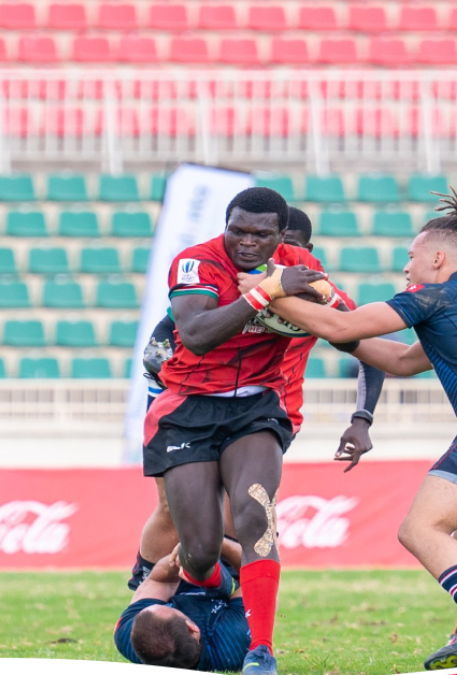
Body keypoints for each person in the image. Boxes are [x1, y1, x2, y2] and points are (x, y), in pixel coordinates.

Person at [263, 185, 457, 668]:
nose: (406, 267)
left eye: (410, 257)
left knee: (420, 528)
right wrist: (328, 326)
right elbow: (402, 360)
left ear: (435, 258)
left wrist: (266, 293)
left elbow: (345, 328)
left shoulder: (437, 294)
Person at [131, 207, 385, 589]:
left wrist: (362, 417)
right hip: (198, 408)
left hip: (270, 412)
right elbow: (160, 354)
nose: (271, 262)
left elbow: (366, 345)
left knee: (248, 516)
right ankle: (147, 587)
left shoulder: (314, 291)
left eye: (286, 249)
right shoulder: (224, 286)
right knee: (175, 512)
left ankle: (230, 606)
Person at [144, 187, 338, 675]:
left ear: (280, 235)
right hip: (189, 407)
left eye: (261, 234)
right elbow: (197, 334)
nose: (247, 242)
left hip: (256, 407)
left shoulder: (296, 262)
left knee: (256, 514)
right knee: (203, 547)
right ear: (225, 224)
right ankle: (190, 587)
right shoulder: (196, 262)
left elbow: (345, 322)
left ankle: (261, 649)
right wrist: (267, 292)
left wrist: (365, 411)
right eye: (238, 231)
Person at [114, 540, 251, 670]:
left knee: (168, 516)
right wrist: (217, 543)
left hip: (171, 577)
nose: (167, 605)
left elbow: (159, 581)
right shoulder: (233, 639)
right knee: (260, 546)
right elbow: (257, 577)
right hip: (230, 579)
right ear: (193, 629)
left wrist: (182, 556)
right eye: (170, 608)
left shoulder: (128, 635)